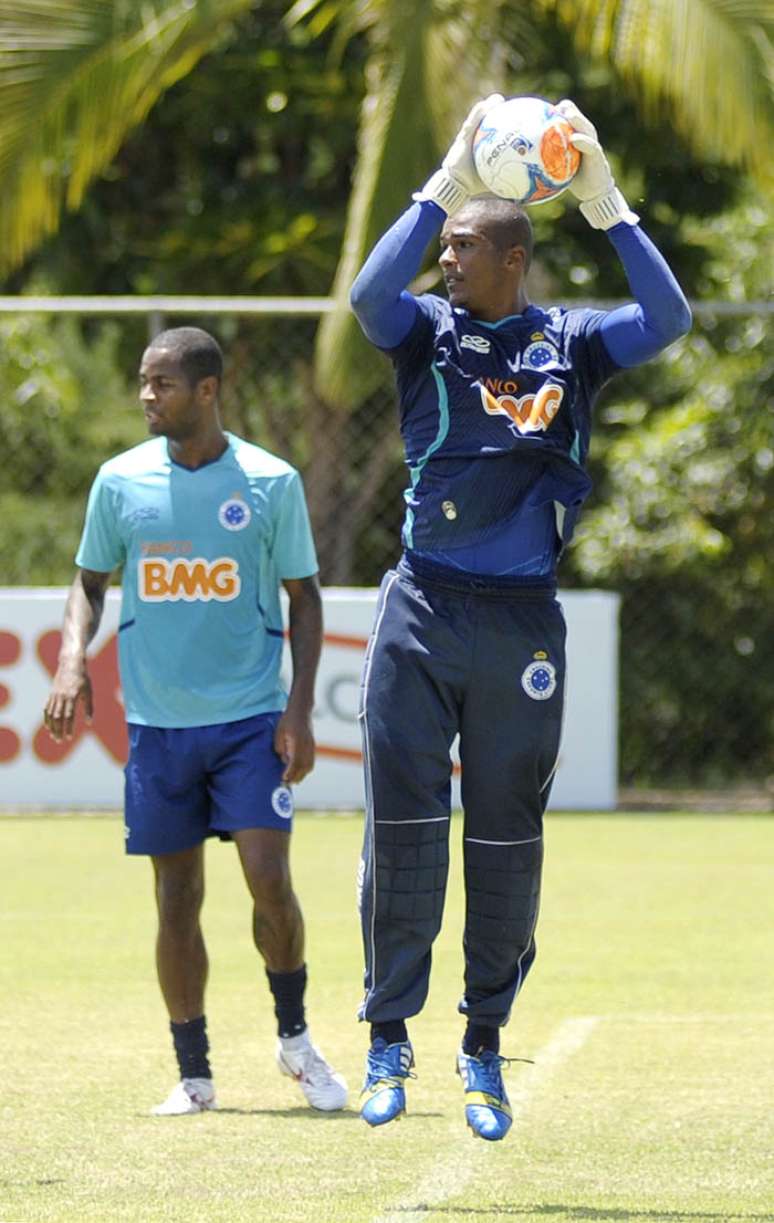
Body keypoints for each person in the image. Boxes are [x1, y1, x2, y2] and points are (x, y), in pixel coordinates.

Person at [350, 97, 691, 1140]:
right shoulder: (426, 334)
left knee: (505, 838)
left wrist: (605, 200)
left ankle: (485, 1043)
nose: (442, 260)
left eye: (458, 246)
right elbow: (369, 297)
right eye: (444, 245)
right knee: (403, 828)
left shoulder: (572, 342)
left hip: (521, 624)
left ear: (512, 257)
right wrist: (444, 181)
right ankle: (387, 1032)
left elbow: (670, 321)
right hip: (422, 608)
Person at [43, 326, 347, 1116]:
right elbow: (87, 582)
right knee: (176, 897)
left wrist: (299, 709)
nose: (148, 395)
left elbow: (304, 598)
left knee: (269, 881)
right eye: (145, 382)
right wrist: (73, 660)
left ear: (207, 390)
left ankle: (294, 1038)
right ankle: (194, 1073)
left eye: (163, 384)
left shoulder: (271, 482)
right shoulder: (119, 481)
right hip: (157, 724)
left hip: (249, 718)